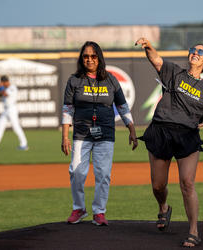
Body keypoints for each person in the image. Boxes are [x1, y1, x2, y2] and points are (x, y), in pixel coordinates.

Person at [135, 37, 203, 248]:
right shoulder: (174, 72)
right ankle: (164, 207)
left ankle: (194, 231)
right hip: (161, 131)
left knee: (187, 183)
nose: (195, 53)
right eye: (193, 50)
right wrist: (149, 47)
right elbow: (157, 60)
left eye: (200, 52)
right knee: (158, 185)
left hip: (187, 136)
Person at [61, 41, 138, 226]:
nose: (89, 59)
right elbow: (67, 109)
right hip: (81, 133)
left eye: (93, 56)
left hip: (105, 133)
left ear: (99, 58)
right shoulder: (74, 80)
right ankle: (79, 208)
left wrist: (132, 130)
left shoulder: (110, 80)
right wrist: (64, 136)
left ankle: (99, 212)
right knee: (77, 171)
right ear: (82, 58)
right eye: (86, 56)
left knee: (103, 173)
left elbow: (122, 106)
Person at [0, 75, 29, 151]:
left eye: (2, 82)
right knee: (0, 127)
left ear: (5, 82)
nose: (1, 83)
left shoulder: (12, 87)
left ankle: (24, 144)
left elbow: (5, 94)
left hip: (12, 109)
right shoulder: (5, 88)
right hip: (6, 110)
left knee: (16, 128)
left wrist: (1, 87)